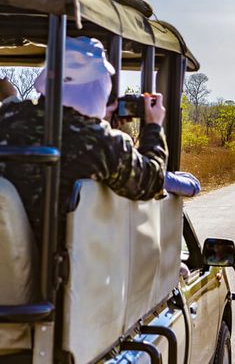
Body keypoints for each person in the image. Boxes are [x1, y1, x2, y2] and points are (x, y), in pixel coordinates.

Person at [0, 37, 167, 245]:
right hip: (61, 272)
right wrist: (153, 126)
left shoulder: (7, 116)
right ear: (97, 86)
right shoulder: (104, 143)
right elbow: (152, 181)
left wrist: (100, 119)